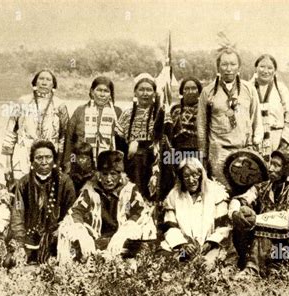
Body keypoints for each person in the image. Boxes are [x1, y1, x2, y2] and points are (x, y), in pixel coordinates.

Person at [57, 150, 157, 264]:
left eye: (113, 174)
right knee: (69, 231)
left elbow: (139, 212)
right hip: (98, 238)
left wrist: (123, 232)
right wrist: (82, 234)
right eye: (105, 174)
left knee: (140, 238)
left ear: (120, 175)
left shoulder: (129, 191)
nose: (109, 179)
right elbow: (76, 212)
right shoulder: (90, 191)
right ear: (99, 175)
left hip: (121, 238)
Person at [229, 147, 289, 277]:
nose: (270, 168)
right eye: (270, 163)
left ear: (286, 170)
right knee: (240, 218)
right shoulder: (263, 187)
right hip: (263, 246)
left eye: (276, 165)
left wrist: (257, 220)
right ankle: (231, 264)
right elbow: (242, 199)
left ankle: (253, 271)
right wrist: (235, 212)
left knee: (264, 230)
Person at [196, 47, 262, 190]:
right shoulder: (208, 92)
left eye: (233, 64)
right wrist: (204, 157)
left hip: (245, 152)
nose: (228, 69)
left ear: (239, 67)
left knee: (245, 195)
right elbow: (201, 127)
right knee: (221, 193)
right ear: (218, 67)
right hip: (219, 153)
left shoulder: (249, 90)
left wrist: (257, 143)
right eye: (224, 64)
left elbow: (257, 119)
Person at [8, 140, 76, 265]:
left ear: (54, 160)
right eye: (39, 158)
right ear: (32, 161)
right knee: (11, 261)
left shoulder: (65, 182)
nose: (44, 162)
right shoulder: (24, 183)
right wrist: (20, 242)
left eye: (48, 157)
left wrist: (61, 230)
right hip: (30, 235)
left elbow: (71, 211)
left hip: (56, 234)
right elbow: (18, 214)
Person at [159, 157, 230, 269]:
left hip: (210, 246)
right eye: (186, 176)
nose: (191, 180)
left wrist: (210, 243)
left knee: (207, 265)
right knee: (171, 259)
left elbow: (223, 226)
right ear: (181, 178)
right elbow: (170, 226)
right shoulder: (174, 195)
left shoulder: (215, 192)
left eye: (194, 175)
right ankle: (184, 261)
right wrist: (183, 245)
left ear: (201, 175)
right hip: (185, 247)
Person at [2, 69, 69, 184]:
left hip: (48, 157)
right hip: (23, 154)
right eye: (41, 79)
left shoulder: (60, 105)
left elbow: (64, 137)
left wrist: (59, 162)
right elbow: (10, 133)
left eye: (48, 80)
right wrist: (8, 165)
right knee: (20, 190)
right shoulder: (23, 102)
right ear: (35, 82)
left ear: (53, 84)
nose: (44, 82)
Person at [115, 73, 165, 201]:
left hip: (155, 160)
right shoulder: (127, 114)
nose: (145, 93)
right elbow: (118, 139)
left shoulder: (161, 113)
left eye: (149, 90)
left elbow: (166, 139)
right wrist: (130, 146)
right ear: (135, 93)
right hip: (132, 161)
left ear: (154, 93)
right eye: (141, 89)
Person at [64, 76, 123, 171]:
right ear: (92, 92)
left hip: (108, 165)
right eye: (99, 90)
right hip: (81, 163)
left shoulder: (117, 112)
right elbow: (69, 138)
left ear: (110, 94)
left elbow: (121, 142)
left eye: (106, 91)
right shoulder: (80, 111)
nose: (102, 94)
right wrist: (69, 162)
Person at [249, 54, 289, 158]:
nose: (265, 71)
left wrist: (284, 143)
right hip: (253, 142)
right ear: (255, 68)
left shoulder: (281, 89)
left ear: (274, 71)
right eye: (262, 67)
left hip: (277, 140)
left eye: (270, 68)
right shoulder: (247, 88)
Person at [168, 77, 203, 153]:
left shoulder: (204, 110)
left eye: (194, 88)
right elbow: (169, 133)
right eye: (186, 88)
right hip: (177, 151)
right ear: (182, 92)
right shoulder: (175, 109)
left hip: (199, 151)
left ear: (199, 91)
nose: (190, 92)